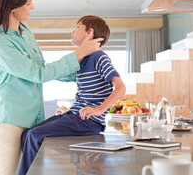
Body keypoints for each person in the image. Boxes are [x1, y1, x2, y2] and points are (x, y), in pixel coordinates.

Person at [0, 0, 103, 175]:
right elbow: (37, 74)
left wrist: (90, 72)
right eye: (28, 3)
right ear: (12, 5)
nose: (32, 6)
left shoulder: (25, 31)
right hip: (9, 124)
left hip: (33, 122)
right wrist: (79, 53)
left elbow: (41, 67)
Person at [17, 15, 126, 175]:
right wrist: (70, 109)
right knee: (27, 134)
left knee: (33, 135)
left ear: (90, 33)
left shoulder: (100, 57)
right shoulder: (83, 60)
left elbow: (121, 87)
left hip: (87, 122)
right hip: (75, 116)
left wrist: (99, 110)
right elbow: (84, 91)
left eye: (77, 27)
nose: (72, 31)